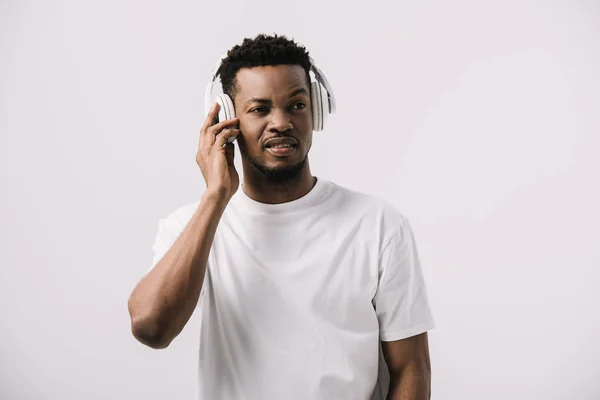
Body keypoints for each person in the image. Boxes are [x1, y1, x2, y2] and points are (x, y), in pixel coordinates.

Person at [128, 33, 436, 400]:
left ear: (317, 110)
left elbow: (411, 369)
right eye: (259, 109)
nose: (281, 122)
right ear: (228, 119)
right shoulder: (192, 228)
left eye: (297, 105)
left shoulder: (379, 224)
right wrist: (215, 196)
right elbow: (151, 327)